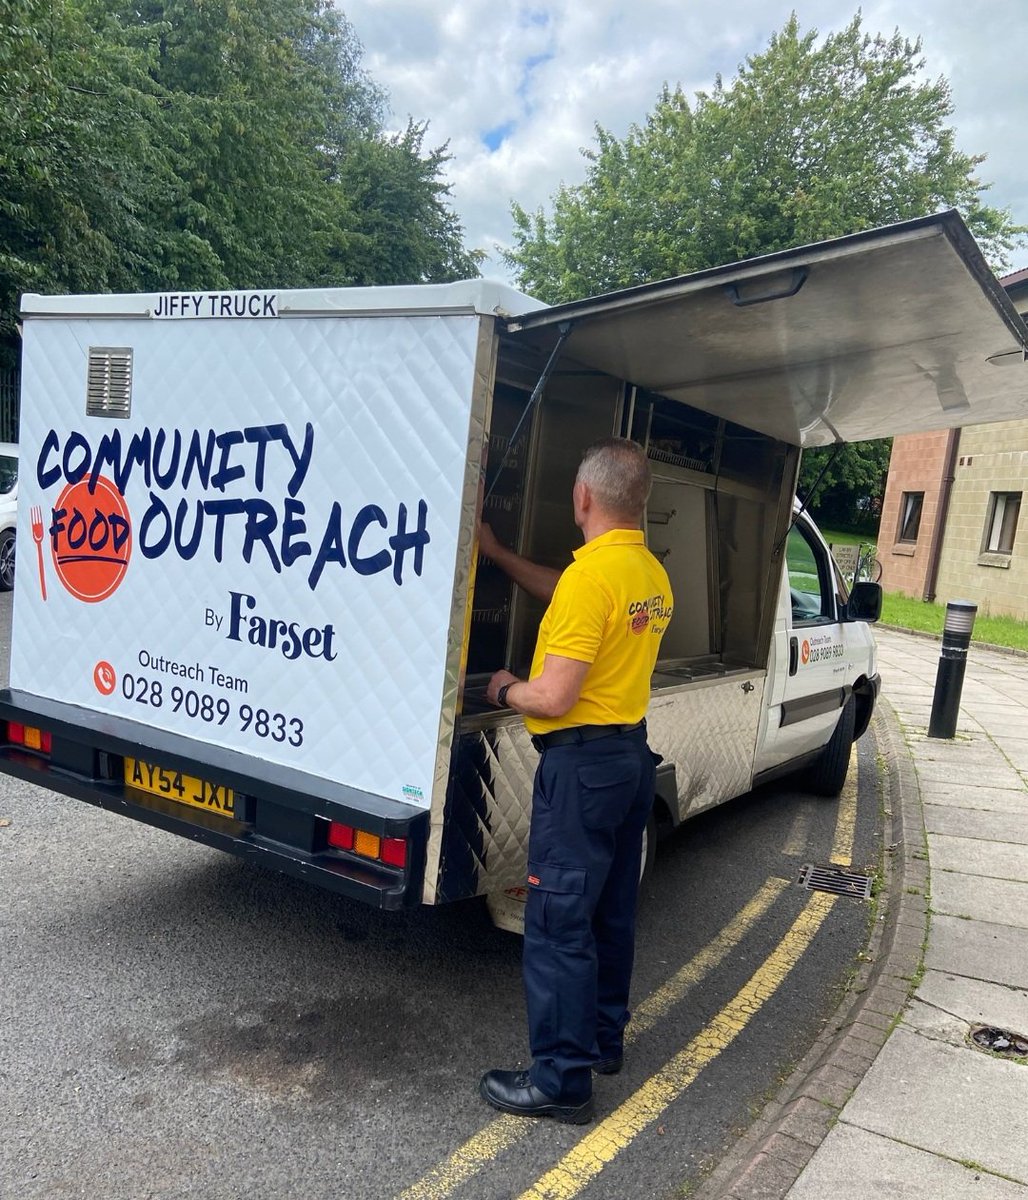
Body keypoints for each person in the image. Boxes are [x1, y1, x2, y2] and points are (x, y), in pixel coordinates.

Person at [478, 436, 673, 1125]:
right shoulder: (645, 573)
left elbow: (553, 697)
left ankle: (561, 1081)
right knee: (610, 912)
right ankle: (600, 1042)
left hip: (582, 769)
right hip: (627, 761)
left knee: (560, 922)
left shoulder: (595, 580)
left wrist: (505, 689)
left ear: (583, 497)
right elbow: (570, 594)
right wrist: (499, 556)